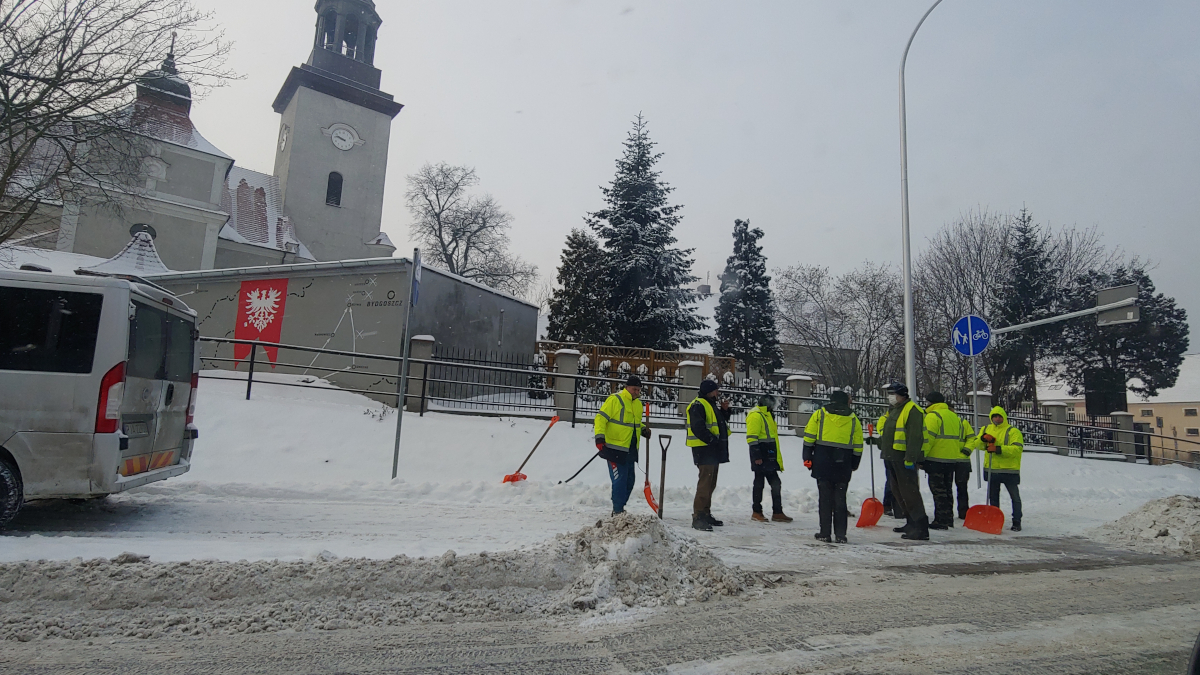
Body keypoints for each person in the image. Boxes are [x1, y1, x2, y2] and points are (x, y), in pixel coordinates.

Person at [802, 389, 864, 543]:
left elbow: (809, 437)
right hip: (843, 464)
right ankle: (841, 535)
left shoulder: (820, 414)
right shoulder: (853, 419)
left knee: (825, 499)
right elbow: (858, 444)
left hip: (823, 461)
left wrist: (807, 457)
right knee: (840, 499)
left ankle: (824, 533)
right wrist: (854, 463)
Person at [593, 375, 651, 515]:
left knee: (630, 481)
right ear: (627, 387)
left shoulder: (637, 404)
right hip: (614, 448)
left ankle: (620, 506)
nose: (636, 392)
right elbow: (600, 418)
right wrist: (599, 438)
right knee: (620, 480)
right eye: (634, 389)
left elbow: (633, 423)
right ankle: (617, 510)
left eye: (638, 390)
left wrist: (643, 429)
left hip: (630, 449)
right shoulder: (615, 399)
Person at [879, 382, 929, 540]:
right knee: (898, 491)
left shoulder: (912, 410)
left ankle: (920, 527)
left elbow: (915, 437)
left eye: (893, 394)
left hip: (903, 458)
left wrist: (910, 458)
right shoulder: (894, 410)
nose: (890, 397)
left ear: (902, 395)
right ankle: (910, 522)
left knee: (910, 492)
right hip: (891, 456)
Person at [920, 392, 973, 529]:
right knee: (948, 490)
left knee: (938, 491)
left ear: (932, 402)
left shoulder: (933, 416)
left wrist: (921, 457)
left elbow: (928, 439)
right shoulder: (953, 416)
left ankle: (941, 520)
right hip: (951, 460)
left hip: (935, 459)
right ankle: (948, 518)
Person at [686, 378, 731, 531]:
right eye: (715, 390)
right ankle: (698, 516)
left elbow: (719, 424)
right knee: (705, 483)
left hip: (712, 450)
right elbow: (698, 427)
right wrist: (712, 440)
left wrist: (724, 411)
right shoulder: (698, 405)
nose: (717, 393)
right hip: (704, 450)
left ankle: (705, 513)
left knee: (711, 483)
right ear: (709, 391)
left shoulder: (710, 405)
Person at [971, 406, 1024, 531]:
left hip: (1009, 470)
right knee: (993, 497)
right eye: (994, 416)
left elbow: (1017, 449)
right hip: (992, 469)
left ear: (1004, 417)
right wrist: (983, 439)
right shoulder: (986, 429)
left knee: (1014, 497)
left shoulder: (1013, 431)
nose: (997, 418)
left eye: (999, 416)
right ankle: (994, 519)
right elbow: (976, 444)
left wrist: (998, 449)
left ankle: (1017, 521)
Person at [746, 394, 792, 523]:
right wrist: (757, 456)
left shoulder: (767, 414)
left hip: (769, 454)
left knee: (774, 483)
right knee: (760, 483)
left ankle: (777, 512)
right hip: (761, 454)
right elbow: (752, 437)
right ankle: (757, 511)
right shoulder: (756, 415)